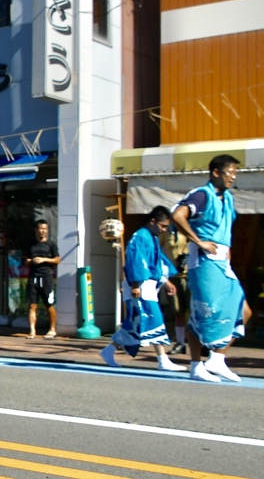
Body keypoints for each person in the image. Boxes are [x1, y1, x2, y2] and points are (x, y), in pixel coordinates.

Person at [171, 154, 251, 383]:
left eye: (235, 173)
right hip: (204, 262)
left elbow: (226, 234)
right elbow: (178, 215)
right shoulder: (201, 195)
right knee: (203, 312)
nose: (232, 178)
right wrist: (199, 241)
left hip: (222, 262)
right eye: (230, 173)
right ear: (216, 172)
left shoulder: (228, 198)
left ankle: (216, 359)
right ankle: (196, 365)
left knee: (243, 310)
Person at [99, 206, 186, 372]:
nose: (164, 230)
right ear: (153, 221)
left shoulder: (150, 237)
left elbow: (156, 263)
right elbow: (135, 261)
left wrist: (166, 282)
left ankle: (109, 350)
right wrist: (135, 285)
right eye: (163, 226)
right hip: (140, 285)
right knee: (155, 318)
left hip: (146, 285)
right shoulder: (140, 237)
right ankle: (162, 359)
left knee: (134, 325)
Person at [25, 219, 60, 339]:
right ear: (36, 230)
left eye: (45, 229)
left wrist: (44, 260)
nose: (42, 231)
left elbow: (57, 260)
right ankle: (32, 331)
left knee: (48, 304)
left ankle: (52, 329)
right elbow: (26, 260)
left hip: (46, 276)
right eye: (40, 229)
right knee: (32, 305)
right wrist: (31, 261)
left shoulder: (51, 244)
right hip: (33, 276)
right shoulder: (31, 244)